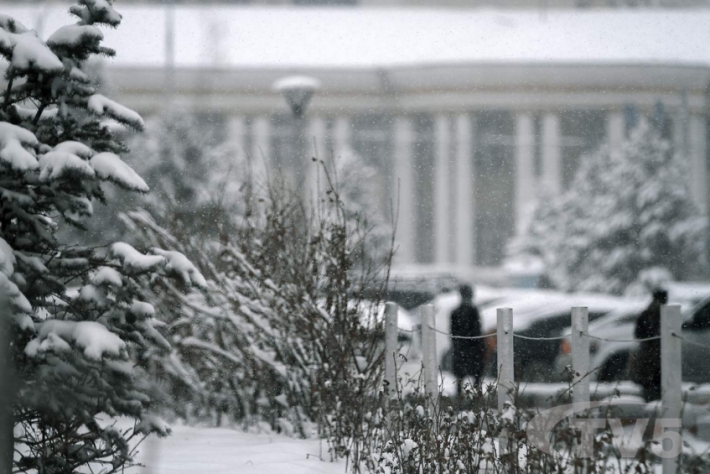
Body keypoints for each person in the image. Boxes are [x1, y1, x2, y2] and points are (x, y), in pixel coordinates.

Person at [450, 284, 485, 397]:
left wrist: (457, 344)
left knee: (460, 377)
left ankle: (460, 399)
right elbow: (477, 331)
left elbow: (452, 333)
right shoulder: (473, 311)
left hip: (461, 348)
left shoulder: (455, 312)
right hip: (473, 348)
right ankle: (475, 400)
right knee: (476, 377)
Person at [633, 289, 668, 402]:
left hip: (649, 355)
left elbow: (638, 334)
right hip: (655, 355)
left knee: (650, 386)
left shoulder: (648, 312)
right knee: (656, 385)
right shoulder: (661, 312)